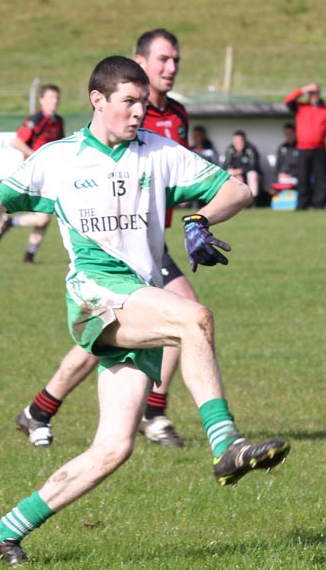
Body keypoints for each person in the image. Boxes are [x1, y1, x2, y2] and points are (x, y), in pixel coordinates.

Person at [0, 55, 290, 567]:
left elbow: (240, 189)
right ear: (98, 101)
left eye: (144, 102)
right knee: (194, 318)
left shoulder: (158, 151)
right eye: (129, 102)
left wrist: (200, 219)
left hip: (134, 298)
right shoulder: (58, 158)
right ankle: (225, 443)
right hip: (94, 294)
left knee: (112, 448)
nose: (140, 111)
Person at [16, 28, 201, 450]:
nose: (171, 68)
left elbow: (180, 180)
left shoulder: (177, 115)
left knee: (117, 332)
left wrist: (203, 209)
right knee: (178, 315)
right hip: (114, 243)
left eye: (176, 60)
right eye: (162, 59)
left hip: (151, 241)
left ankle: (40, 409)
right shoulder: (123, 117)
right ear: (139, 62)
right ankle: (155, 412)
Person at [0, 84, 65, 263]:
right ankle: (9, 223)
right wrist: (36, 156)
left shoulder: (58, 121)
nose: (54, 101)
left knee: (44, 219)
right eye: (51, 97)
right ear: (42, 100)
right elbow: (16, 141)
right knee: (42, 218)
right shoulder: (35, 120)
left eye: (56, 97)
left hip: (51, 174)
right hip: (36, 175)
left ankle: (28, 257)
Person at [284, 83, 326, 210]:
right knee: (303, 178)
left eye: (315, 93)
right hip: (303, 149)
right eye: (311, 93)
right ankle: (302, 204)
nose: (313, 96)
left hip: (320, 149)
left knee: (321, 178)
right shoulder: (301, 107)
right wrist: (303, 89)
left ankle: (319, 204)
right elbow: (288, 100)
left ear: (319, 94)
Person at [224, 130, 262, 206]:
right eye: (235, 141)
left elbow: (254, 166)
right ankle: (233, 202)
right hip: (237, 175)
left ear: (244, 140)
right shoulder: (230, 150)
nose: (238, 143)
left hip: (249, 173)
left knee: (252, 175)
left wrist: (241, 171)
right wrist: (236, 173)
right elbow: (226, 165)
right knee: (229, 174)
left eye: (240, 141)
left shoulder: (250, 149)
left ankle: (254, 203)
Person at [269, 123, 299, 194]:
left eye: (290, 133)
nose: (288, 136)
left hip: (296, 177)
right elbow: (277, 165)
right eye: (286, 134)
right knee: (271, 186)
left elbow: (302, 166)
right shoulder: (282, 148)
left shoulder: (299, 147)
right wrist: (278, 174)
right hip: (282, 176)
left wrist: (291, 175)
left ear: (294, 133)